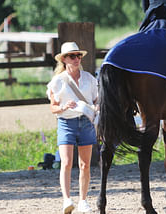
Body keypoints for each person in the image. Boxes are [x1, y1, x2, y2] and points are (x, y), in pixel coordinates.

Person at [46, 42, 98, 213]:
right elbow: (53, 107)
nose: (76, 59)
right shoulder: (57, 82)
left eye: (78, 55)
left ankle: (83, 201)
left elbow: (97, 100)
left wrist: (95, 108)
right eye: (72, 56)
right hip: (66, 122)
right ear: (64, 59)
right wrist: (63, 107)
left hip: (85, 122)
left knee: (85, 164)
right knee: (66, 162)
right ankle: (66, 200)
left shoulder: (90, 79)